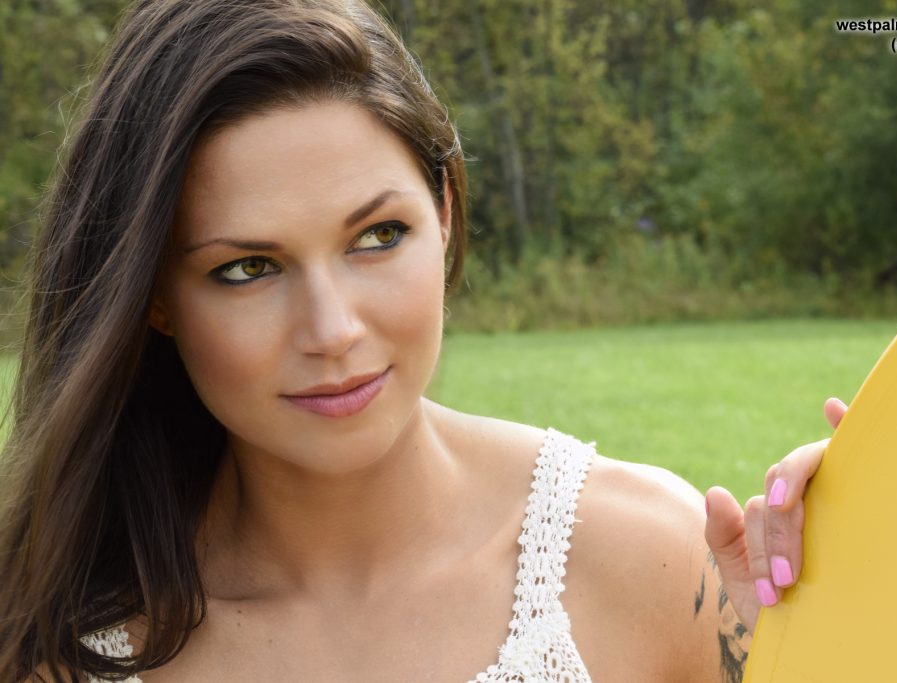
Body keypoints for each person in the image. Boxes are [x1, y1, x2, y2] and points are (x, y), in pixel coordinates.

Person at [0, 0, 848, 681]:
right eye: (249, 267)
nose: (333, 330)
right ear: (153, 295)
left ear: (441, 212)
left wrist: (848, 620)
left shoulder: (654, 563)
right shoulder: (58, 641)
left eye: (377, 236)